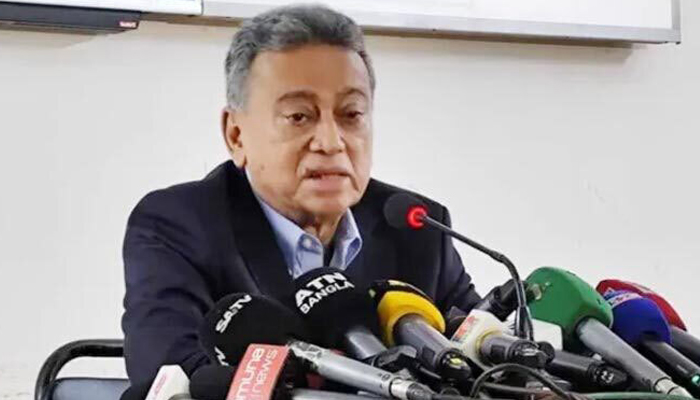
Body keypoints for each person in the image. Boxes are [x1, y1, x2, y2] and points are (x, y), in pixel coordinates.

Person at [121, 4, 481, 387]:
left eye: (351, 114)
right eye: (299, 116)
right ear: (236, 135)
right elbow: (171, 376)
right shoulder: (178, 226)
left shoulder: (415, 226)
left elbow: (482, 354)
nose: (331, 142)